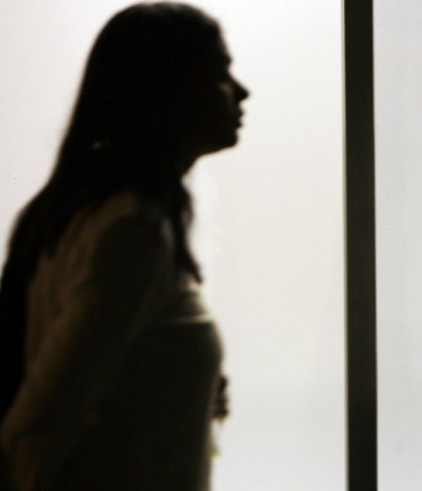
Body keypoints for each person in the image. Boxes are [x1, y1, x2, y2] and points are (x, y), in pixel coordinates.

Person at [0, 3, 248, 489]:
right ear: (165, 92)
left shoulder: (89, 216)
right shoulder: (132, 232)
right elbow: (36, 423)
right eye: (219, 72)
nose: (241, 91)